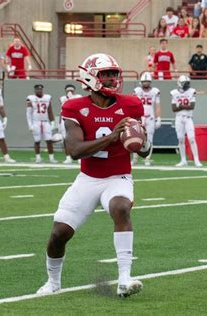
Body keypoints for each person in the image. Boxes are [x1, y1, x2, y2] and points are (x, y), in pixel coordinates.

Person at [37, 53, 148, 298]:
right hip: (87, 179)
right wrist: (111, 137)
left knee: (121, 208)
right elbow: (74, 151)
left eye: (114, 73)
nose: (112, 79)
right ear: (90, 77)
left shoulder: (131, 104)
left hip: (118, 176)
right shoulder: (74, 107)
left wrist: (141, 143)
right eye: (105, 74)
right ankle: (53, 282)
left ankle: (124, 278)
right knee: (59, 234)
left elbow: (145, 145)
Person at [172, 75, 202, 167]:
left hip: (188, 118)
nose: (187, 85)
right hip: (179, 118)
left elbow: (192, 106)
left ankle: (196, 160)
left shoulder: (191, 91)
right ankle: (183, 160)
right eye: (185, 83)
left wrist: (180, 106)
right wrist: (182, 107)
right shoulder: (174, 93)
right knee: (180, 139)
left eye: (187, 83)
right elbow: (173, 109)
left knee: (191, 138)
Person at [132, 72, 161, 166]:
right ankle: (135, 158)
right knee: (136, 137)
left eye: (147, 82)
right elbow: (133, 104)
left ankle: (147, 158)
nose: (145, 83)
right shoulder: (137, 90)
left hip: (150, 117)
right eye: (144, 82)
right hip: (140, 116)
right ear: (141, 82)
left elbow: (157, 106)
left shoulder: (155, 91)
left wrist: (159, 118)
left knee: (150, 138)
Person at [26, 84, 57, 163]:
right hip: (36, 122)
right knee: (37, 140)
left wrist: (53, 122)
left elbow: (50, 111)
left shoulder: (47, 97)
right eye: (37, 89)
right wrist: (30, 124)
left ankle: (51, 158)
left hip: (46, 121)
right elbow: (28, 113)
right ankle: (38, 157)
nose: (39, 91)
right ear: (35, 90)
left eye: (40, 89)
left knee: (49, 140)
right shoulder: (31, 98)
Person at [59, 84, 82, 164]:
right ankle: (68, 157)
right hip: (64, 120)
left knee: (78, 138)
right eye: (68, 90)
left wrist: (70, 96)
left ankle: (80, 157)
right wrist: (59, 123)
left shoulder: (78, 96)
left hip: (75, 120)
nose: (70, 91)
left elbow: (74, 103)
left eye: (71, 90)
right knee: (66, 139)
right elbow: (61, 111)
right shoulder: (62, 98)